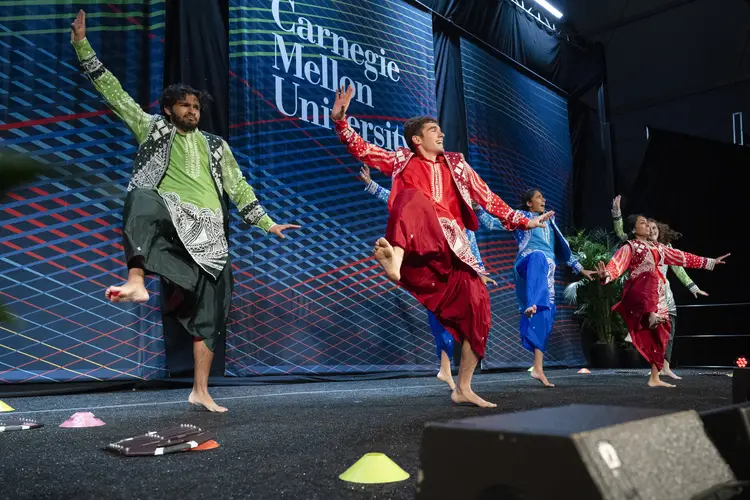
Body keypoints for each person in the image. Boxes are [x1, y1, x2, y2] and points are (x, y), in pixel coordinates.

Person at [70, 10, 300, 412]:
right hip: (170, 219)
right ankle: (136, 279)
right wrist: (82, 46)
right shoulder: (152, 128)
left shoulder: (216, 146)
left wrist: (266, 222)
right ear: (169, 108)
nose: (192, 110)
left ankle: (200, 389)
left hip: (209, 235)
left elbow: (238, 186)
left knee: (211, 315)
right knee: (141, 196)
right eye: (184, 105)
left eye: (196, 106)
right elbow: (115, 92)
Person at [331, 85, 552, 407]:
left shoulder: (458, 165)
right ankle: (394, 260)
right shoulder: (402, 160)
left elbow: (486, 197)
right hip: (418, 238)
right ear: (417, 139)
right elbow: (364, 150)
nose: (442, 134)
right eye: (434, 130)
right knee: (412, 197)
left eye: (441, 130)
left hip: (454, 245)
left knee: (479, 309)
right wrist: (341, 121)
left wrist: (523, 221)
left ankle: (463, 387)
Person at [357, 165, 497, 391]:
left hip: (459, 270)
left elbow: (474, 241)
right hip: (438, 267)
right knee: (445, 316)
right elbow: (401, 203)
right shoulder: (436, 201)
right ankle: (446, 369)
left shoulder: (464, 219)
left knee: (457, 319)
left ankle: (446, 368)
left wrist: (479, 270)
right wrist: (372, 186)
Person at [475, 189, 596, 387]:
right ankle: (531, 303)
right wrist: (478, 208)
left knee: (546, 314)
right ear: (529, 203)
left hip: (546, 272)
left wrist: (581, 270)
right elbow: (491, 223)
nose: (543, 199)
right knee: (539, 258)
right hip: (528, 263)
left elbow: (563, 248)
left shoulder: (550, 222)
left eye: (543, 196)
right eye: (539, 197)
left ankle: (538, 368)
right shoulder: (520, 217)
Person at [596, 215, 728, 388]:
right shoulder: (631, 246)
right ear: (634, 230)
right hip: (639, 290)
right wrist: (606, 275)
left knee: (662, 333)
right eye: (642, 224)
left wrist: (710, 262)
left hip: (657, 295)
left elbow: (682, 257)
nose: (647, 227)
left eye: (648, 224)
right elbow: (617, 264)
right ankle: (650, 315)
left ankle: (654, 377)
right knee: (651, 275)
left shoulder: (659, 247)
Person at [612, 196, 707, 379]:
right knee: (651, 326)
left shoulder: (666, 248)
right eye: (648, 227)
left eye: (654, 228)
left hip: (666, 294)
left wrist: (693, 287)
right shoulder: (640, 246)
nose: (651, 230)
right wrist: (617, 214)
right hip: (647, 293)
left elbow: (679, 271)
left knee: (668, 331)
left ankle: (666, 367)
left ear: (659, 231)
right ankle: (649, 355)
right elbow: (621, 233)